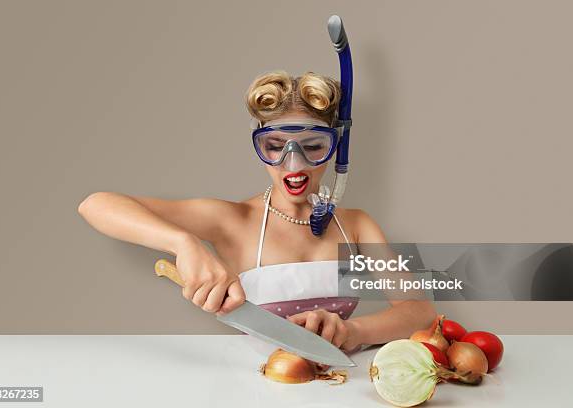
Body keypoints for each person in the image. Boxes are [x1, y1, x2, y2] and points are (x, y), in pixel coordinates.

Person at [78, 70, 436, 352]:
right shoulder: (232, 220)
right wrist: (183, 243)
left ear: (336, 149)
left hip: (340, 383)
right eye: (275, 146)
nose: (293, 163)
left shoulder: (356, 226)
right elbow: (95, 204)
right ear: (259, 146)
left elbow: (419, 311)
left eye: (313, 146)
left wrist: (352, 330)